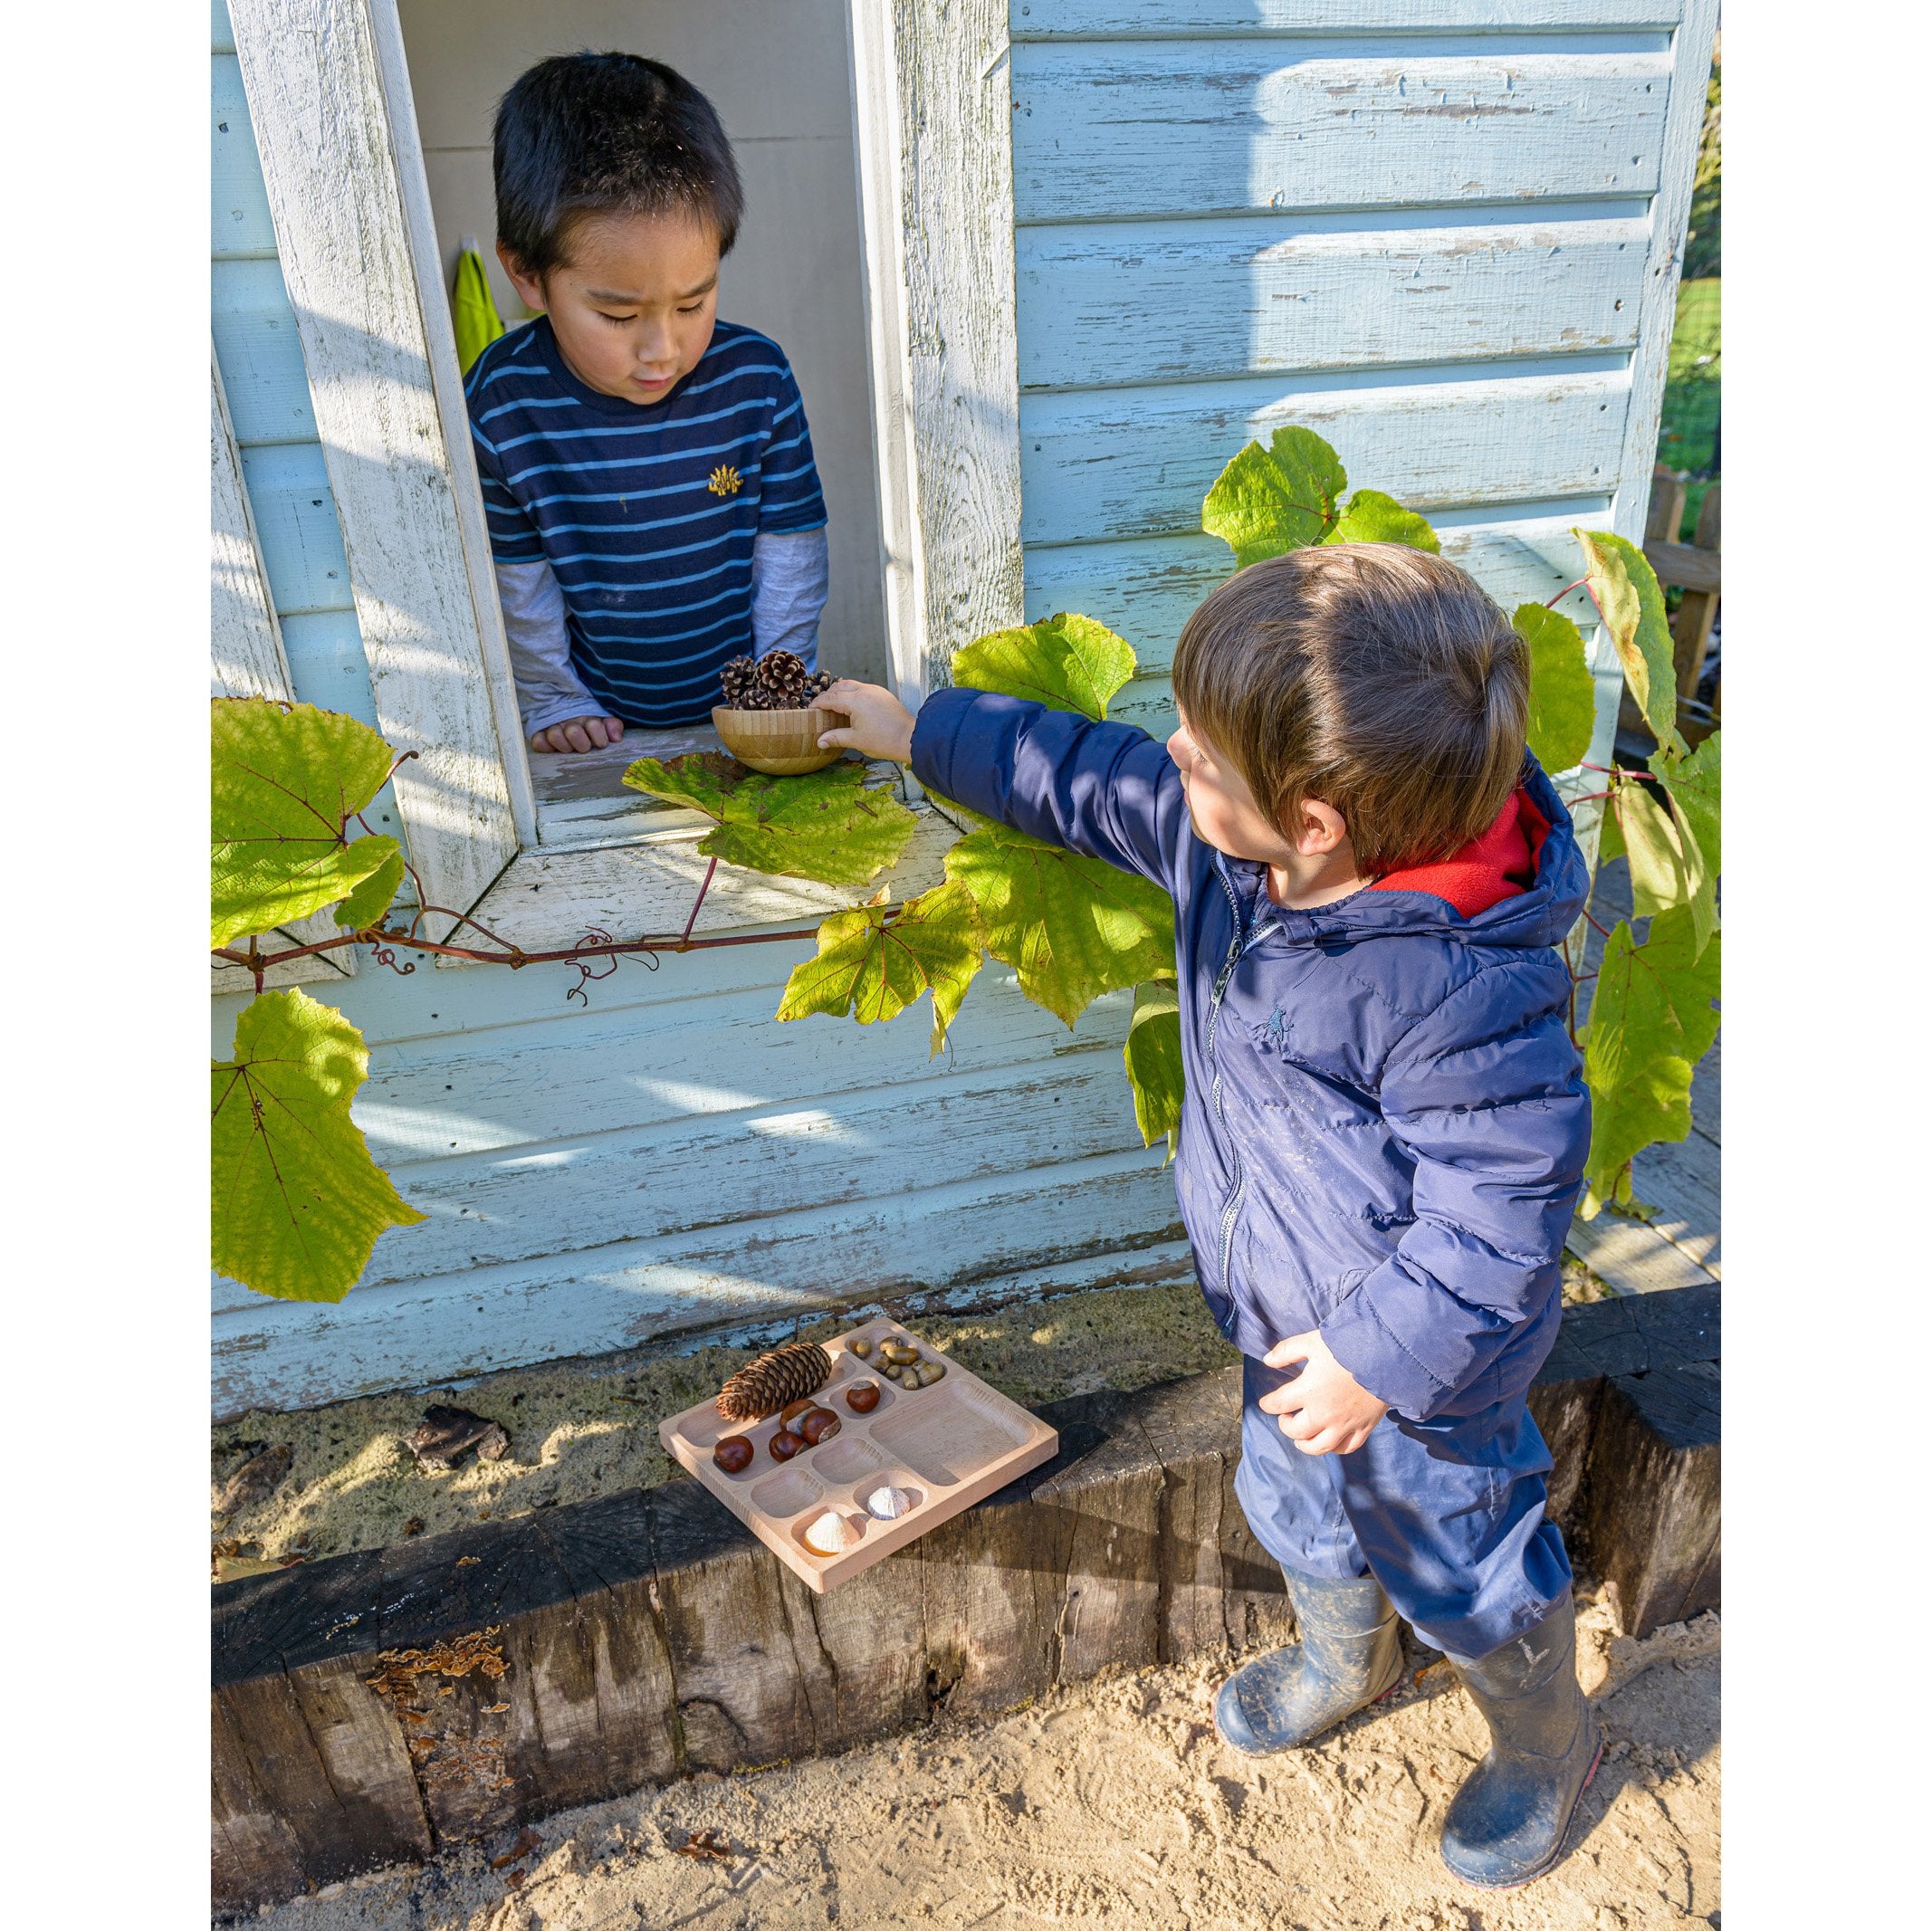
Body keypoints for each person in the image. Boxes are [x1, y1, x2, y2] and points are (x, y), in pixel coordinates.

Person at [817, 544, 1601, 1889]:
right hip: (1281, 1314)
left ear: (1315, 820)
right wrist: (919, 731)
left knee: (1460, 1559)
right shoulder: (1229, 843)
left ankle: (1546, 1742)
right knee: (1293, 1505)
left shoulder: (1458, 990)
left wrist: (1375, 1360)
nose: (1169, 750)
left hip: (1424, 1372)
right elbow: (1089, 775)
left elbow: (1500, 1221)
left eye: (1200, 748)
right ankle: (1343, 1662)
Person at [464, 53, 829, 752]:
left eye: (693, 303)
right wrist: (554, 699)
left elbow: (791, 552)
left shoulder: (756, 380)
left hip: (747, 713)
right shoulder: (502, 406)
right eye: (619, 315)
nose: (663, 348)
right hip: (598, 727)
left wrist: (777, 690)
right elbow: (518, 582)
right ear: (528, 275)